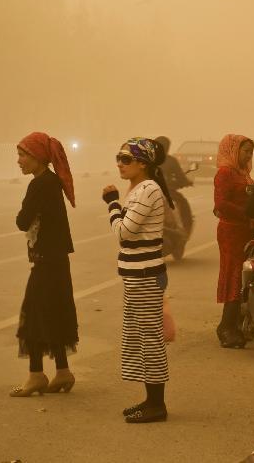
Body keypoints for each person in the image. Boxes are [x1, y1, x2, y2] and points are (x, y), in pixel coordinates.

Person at [102, 137, 173, 423]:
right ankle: (150, 400)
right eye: (118, 158)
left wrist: (112, 204)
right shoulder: (140, 188)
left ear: (142, 164)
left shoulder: (148, 190)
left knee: (151, 340)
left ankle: (158, 405)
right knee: (140, 339)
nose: (120, 164)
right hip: (136, 275)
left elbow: (124, 233)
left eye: (126, 159)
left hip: (145, 276)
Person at [10, 132, 79, 397]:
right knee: (53, 314)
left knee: (35, 318)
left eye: (23, 155)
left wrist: (24, 212)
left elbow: (22, 221)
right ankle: (62, 371)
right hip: (56, 261)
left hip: (46, 263)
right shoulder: (51, 182)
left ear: (38, 157)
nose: (19, 161)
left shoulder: (40, 184)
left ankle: (36, 375)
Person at [213, 134, 254, 348]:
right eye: (245, 150)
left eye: (250, 151)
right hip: (231, 232)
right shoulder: (225, 173)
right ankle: (226, 327)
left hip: (246, 231)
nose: (248, 155)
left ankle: (238, 324)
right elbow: (220, 203)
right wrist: (245, 215)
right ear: (233, 150)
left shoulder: (243, 173)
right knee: (234, 276)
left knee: (245, 277)